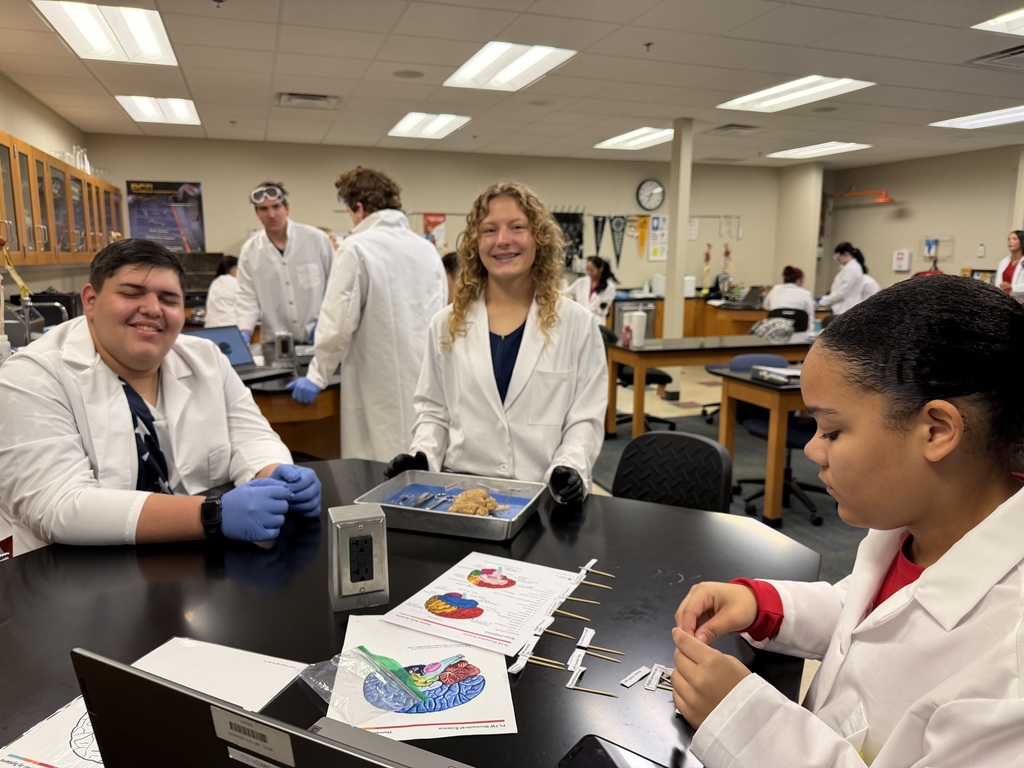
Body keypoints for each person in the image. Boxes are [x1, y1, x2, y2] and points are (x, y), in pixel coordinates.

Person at [671, 274, 1024, 768]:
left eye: (833, 431)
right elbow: (866, 613)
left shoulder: (1011, 663)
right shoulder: (914, 530)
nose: (813, 449)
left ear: (937, 431)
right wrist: (765, 605)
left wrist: (741, 720)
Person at [0, 239, 322, 556]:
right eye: (131, 293)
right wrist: (211, 514)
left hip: (199, 567)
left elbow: (250, 436)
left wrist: (274, 473)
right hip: (78, 574)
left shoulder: (206, 358)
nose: (153, 309)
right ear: (91, 300)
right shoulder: (33, 375)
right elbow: (58, 505)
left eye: (168, 299)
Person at [385, 181, 608, 505]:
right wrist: (423, 456)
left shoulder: (578, 325)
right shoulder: (446, 324)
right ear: (476, 242)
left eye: (517, 227)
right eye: (489, 230)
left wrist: (570, 466)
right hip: (459, 497)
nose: (502, 240)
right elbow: (433, 410)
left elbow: (585, 417)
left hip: (544, 497)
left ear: (539, 238)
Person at [288, 167, 446, 462]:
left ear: (358, 207)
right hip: (427, 382)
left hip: (377, 384)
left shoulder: (356, 248)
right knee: (421, 459)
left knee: (378, 464)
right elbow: (441, 318)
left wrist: (317, 375)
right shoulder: (426, 250)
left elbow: (337, 324)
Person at [235, 182, 334, 344]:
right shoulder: (250, 251)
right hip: (275, 343)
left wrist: (327, 323)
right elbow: (247, 297)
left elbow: (335, 286)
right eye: (263, 209)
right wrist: (244, 331)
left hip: (319, 338)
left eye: (276, 207)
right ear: (257, 213)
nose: (271, 214)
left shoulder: (317, 240)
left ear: (287, 208)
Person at [817, 242, 864, 317]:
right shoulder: (851, 268)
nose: (838, 260)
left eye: (838, 256)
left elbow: (841, 293)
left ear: (846, 254)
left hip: (845, 309)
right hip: (845, 308)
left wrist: (822, 301)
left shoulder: (851, 269)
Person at [566, 255, 618, 323]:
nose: (589, 273)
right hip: (580, 318)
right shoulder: (581, 282)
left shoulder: (609, 287)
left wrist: (591, 311)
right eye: (587, 270)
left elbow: (602, 310)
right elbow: (566, 293)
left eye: (592, 270)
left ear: (600, 269)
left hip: (596, 320)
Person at [203, 254, 239, 328]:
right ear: (234, 268)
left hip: (210, 327)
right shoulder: (236, 282)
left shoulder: (215, 282)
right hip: (231, 327)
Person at [997, 229, 1024, 294]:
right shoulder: (1003, 262)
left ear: (1022, 241)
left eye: (1014, 239)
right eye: (1009, 239)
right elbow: (998, 283)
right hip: (1002, 297)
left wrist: (1012, 287)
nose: (1010, 241)